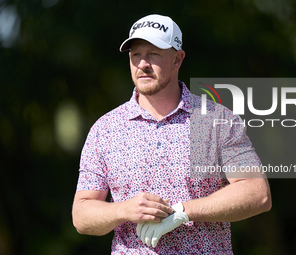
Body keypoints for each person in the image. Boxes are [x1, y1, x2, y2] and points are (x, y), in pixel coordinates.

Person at [72, 14, 272, 254]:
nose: (143, 63)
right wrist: (123, 210)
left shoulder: (215, 120)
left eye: (154, 53)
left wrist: (183, 211)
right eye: (136, 54)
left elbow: (257, 193)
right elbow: (81, 214)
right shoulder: (106, 129)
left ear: (177, 59)